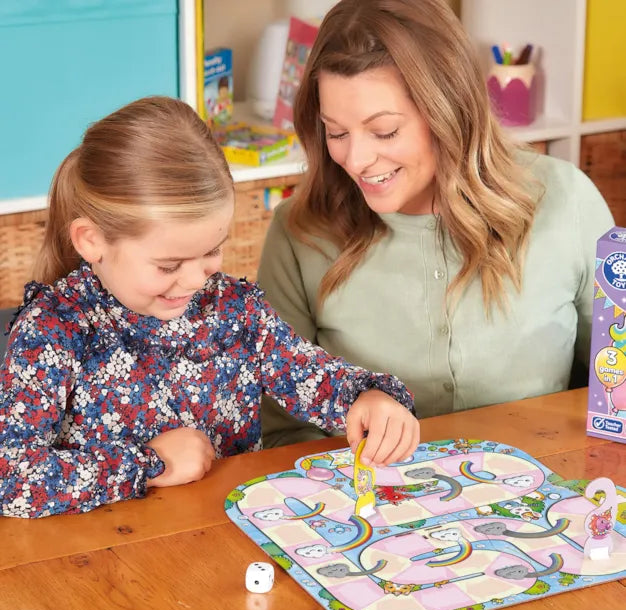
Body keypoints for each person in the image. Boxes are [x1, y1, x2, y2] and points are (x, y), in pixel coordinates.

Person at [0, 96, 419, 519]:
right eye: (169, 266)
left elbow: (309, 376)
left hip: (226, 533)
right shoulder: (53, 331)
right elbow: (11, 478)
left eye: (212, 252)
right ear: (91, 241)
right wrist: (150, 465)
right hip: (108, 547)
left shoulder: (234, 310)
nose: (196, 281)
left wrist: (366, 398)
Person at [257, 0, 615, 447]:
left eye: (385, 131)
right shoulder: (299, 232)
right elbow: (281, 433)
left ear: (449, 110)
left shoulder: (566, 201)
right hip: (366, 491)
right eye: (337, 132)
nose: (357, 159)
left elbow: (613, 380)